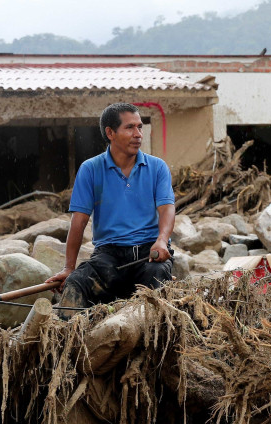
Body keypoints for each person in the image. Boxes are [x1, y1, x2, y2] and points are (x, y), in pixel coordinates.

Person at [46, 103, 176, 308]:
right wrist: (69, 268)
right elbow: (78, 221)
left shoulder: (157, 167)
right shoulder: (90, 169)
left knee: (157, 280)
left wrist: (161, 241)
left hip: (149, 254)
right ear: (110, 133)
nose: (138, 134)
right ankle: (69, 338)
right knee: (76, 283)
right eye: (130, 127)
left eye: (140, 127)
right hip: (108, 256)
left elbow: (167, 208)